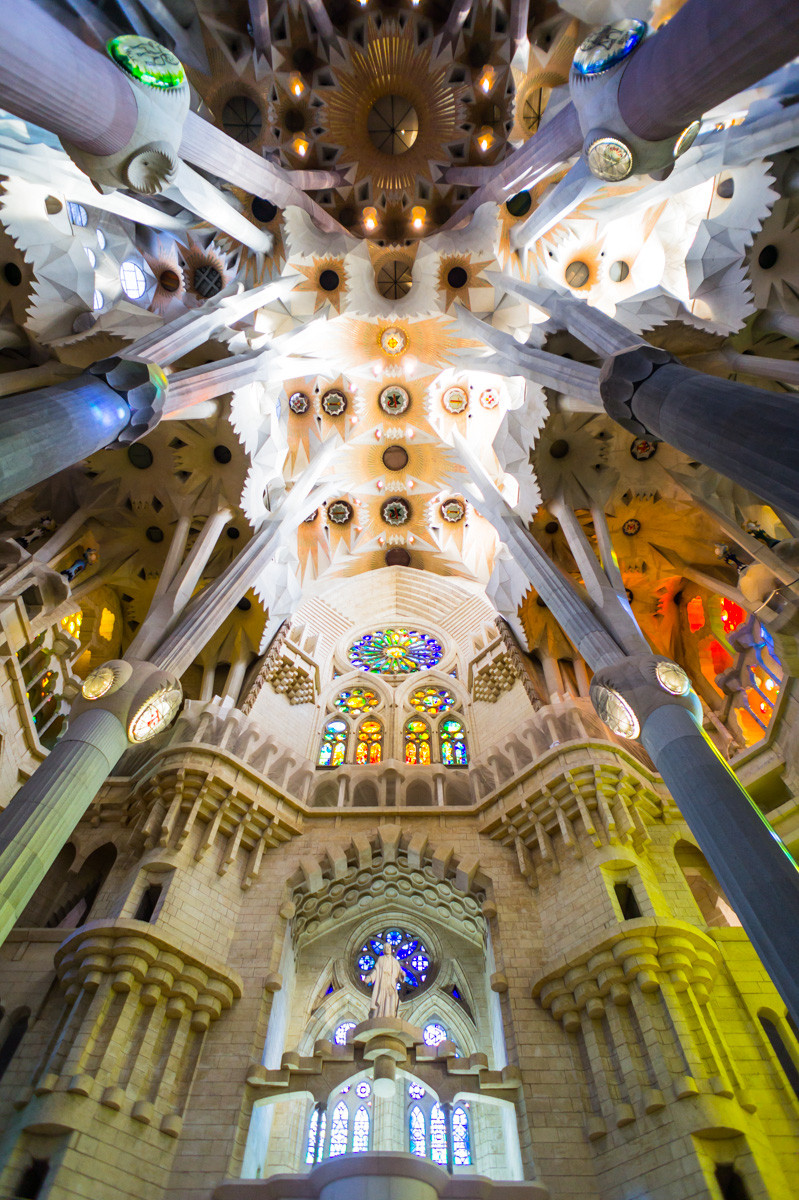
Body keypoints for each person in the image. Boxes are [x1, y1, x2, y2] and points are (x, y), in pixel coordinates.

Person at [363, 941, 406, 1019]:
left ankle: (391, 1016)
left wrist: (402, 974)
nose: (387, 949)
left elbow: (399, 971)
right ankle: (378, 1015)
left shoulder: (394, 961)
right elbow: (376, 971)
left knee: (391, 998)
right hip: (382, 981)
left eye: (389, 947)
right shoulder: (381, 959)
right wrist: (370, 978)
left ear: (391, 949)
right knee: (381, 998)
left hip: (391, 982)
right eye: (386, 947)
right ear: (383, 950)